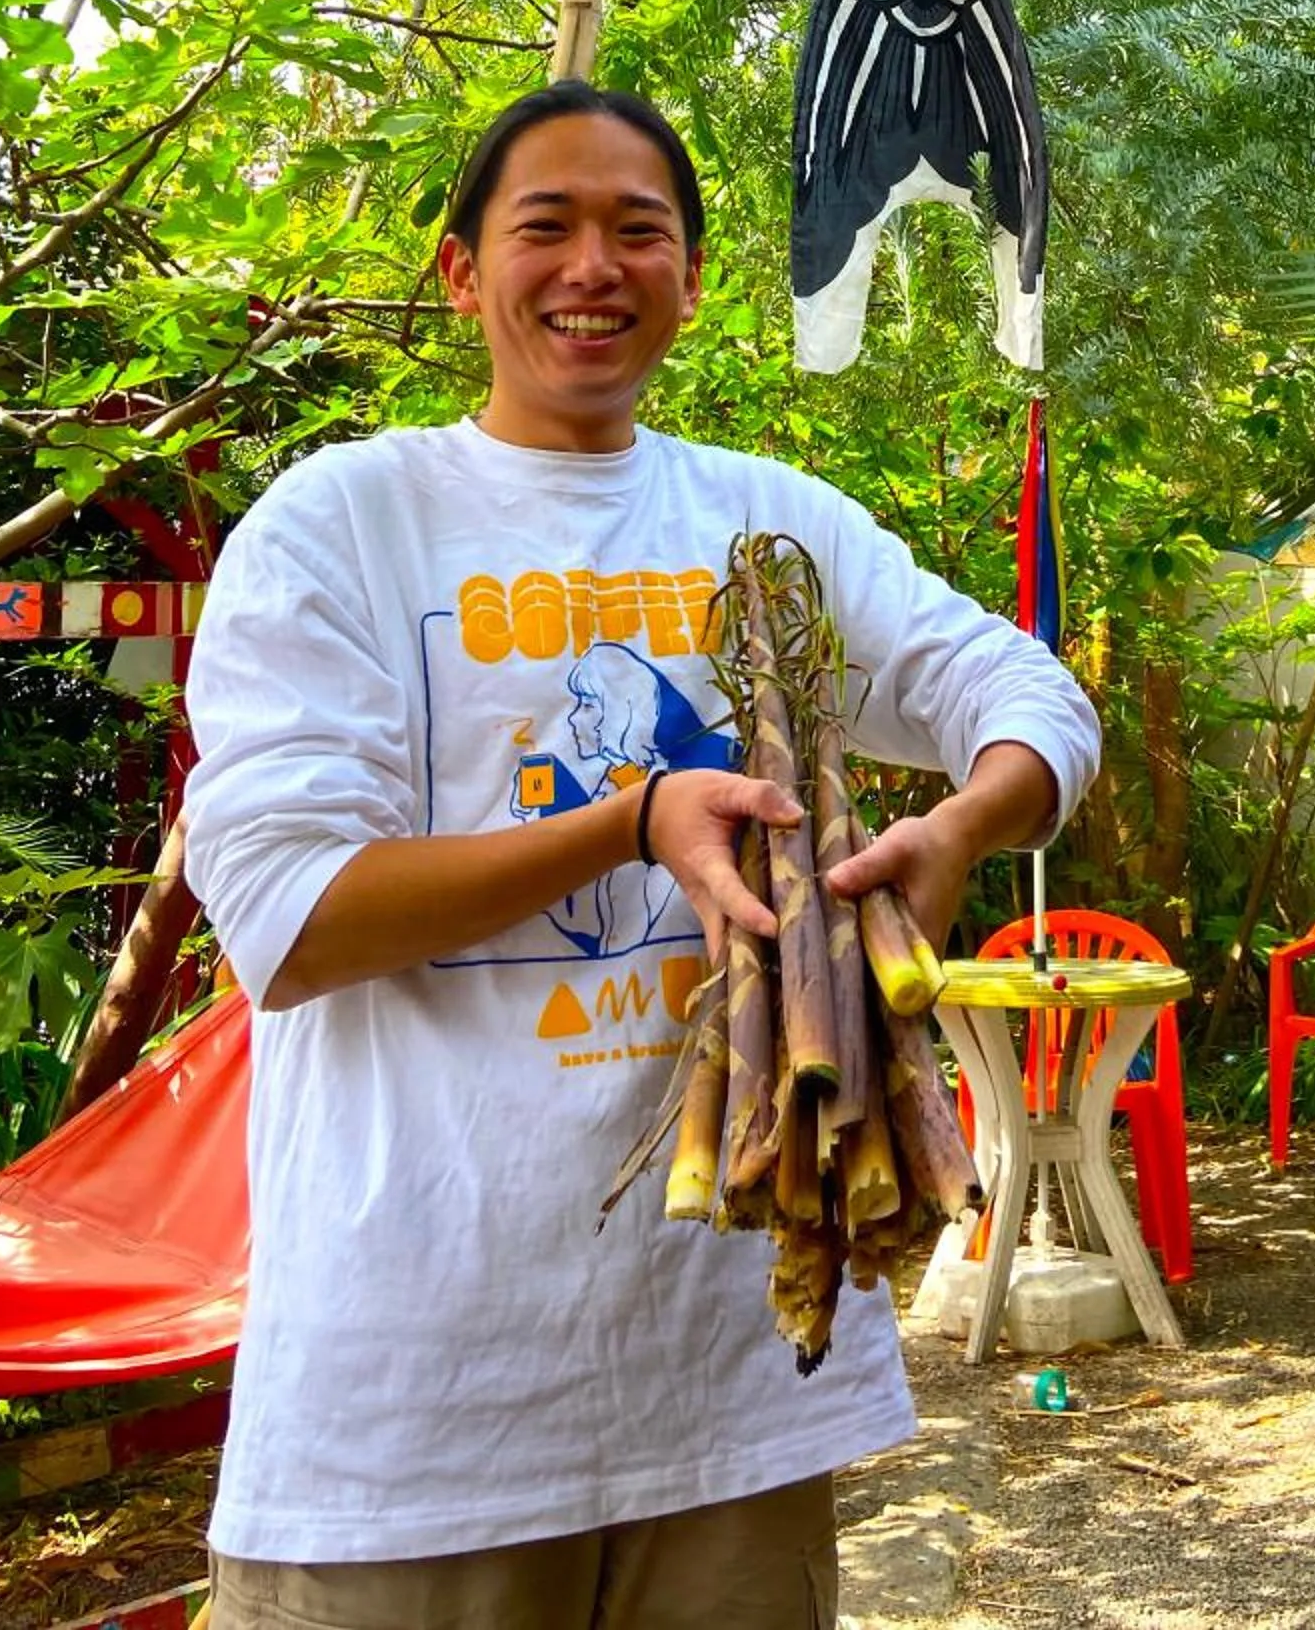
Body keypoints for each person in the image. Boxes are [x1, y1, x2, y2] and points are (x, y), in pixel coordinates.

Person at [185, 80, 1100, 1630]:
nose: (593, 265)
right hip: (415, 1410)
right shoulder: (339, 523)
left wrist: (956, 826)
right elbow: (285, 920)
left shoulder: (764, 519)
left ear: (688, 271)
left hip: (733, 1389)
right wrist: (628, 818)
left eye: (640, 230)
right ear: (461, 271)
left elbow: (1026, 694)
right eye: (544, 226)